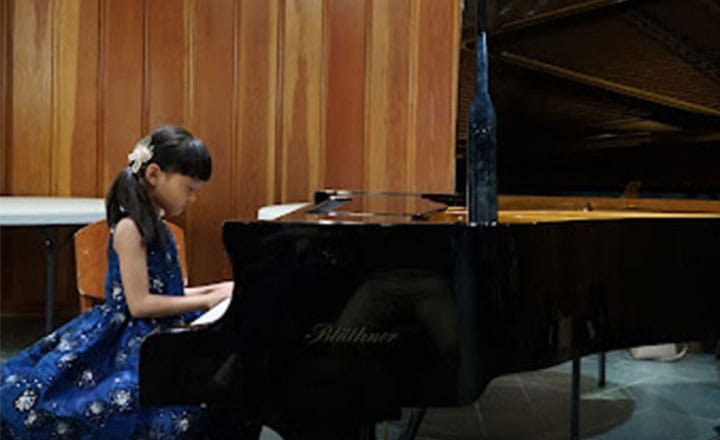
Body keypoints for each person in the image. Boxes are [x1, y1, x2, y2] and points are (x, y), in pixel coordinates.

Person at [0, 126, 233, 439]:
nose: (193, 198)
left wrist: (217, 289)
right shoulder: (130, 228)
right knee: (110, 400)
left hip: (160, 327)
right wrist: (206, 300)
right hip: (130, 334)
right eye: (189, 188)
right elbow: (140, 304)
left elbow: (168, 291)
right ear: (153, 174)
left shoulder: (159, 226)